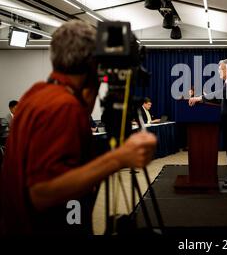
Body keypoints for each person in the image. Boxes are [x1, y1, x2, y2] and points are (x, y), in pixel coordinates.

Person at [0, 20, 157, 235]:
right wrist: (118, 158)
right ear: (93, 63)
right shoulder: (63, 107)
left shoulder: (35, 94)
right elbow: (42, 193)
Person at [189, 59, 227, 192]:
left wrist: (199, 98)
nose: (218, 71)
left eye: (220, 68)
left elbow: (220, 94)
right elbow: (221, 97)